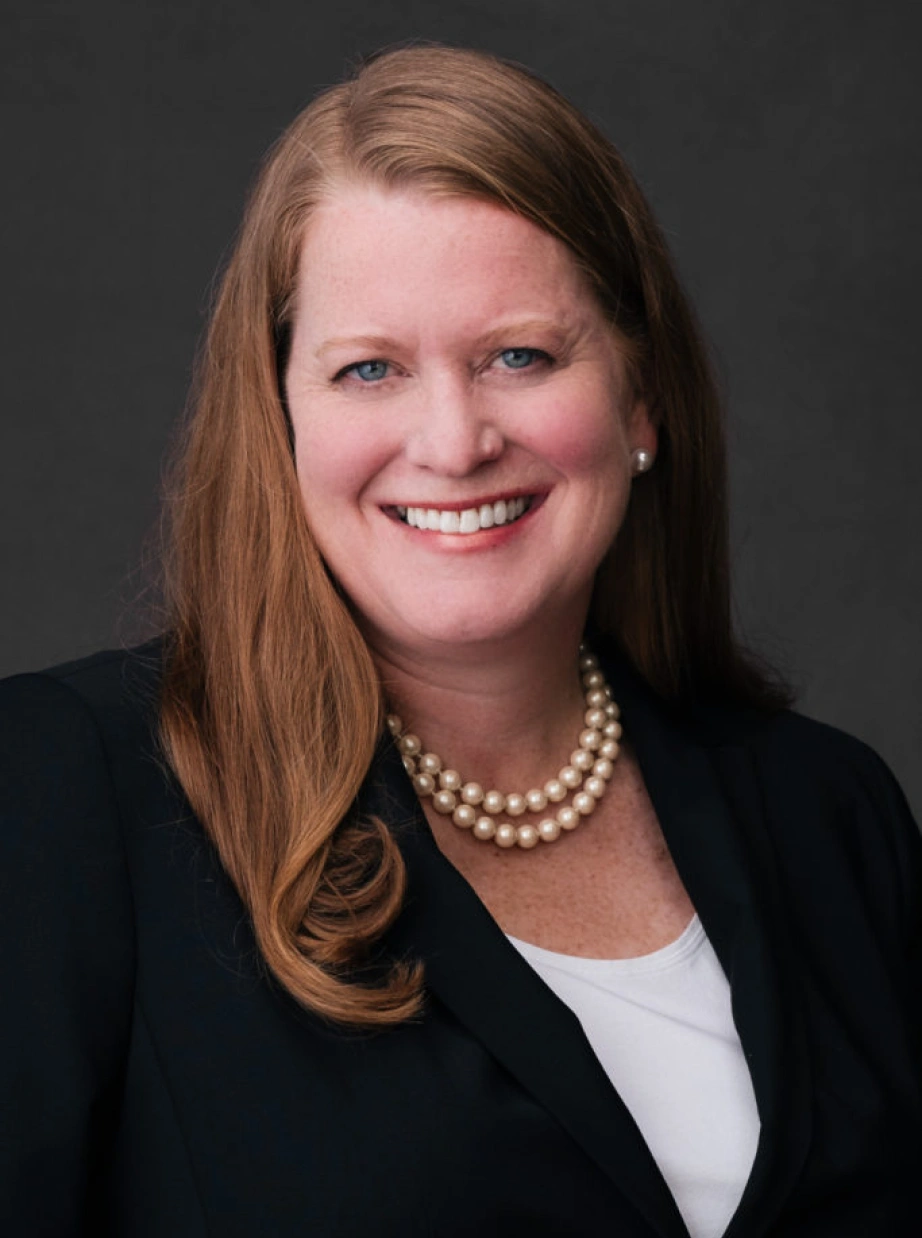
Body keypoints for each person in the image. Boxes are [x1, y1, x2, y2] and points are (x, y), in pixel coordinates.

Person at [1, 44, 919, 1238]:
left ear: (640, 402)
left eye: (519, 356)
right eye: (369, 368)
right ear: (278, 415)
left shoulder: (830, 813)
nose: (451, 439)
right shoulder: (65, 793)